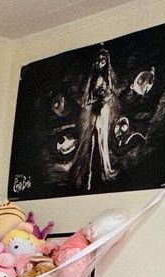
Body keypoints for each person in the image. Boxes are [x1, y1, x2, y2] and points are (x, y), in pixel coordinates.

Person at [70, 47, 118, 191]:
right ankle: (84, 175)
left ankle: (103, 171)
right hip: (92, 110)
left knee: (102, 140)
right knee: (88, 140)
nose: (100, 63)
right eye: (98, 60)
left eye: (103, 60)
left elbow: (110, 94)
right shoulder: (91, 79)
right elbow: (86, 97)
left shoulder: (108, 78)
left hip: (102, 110)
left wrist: (103, 100)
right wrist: (93, 102)